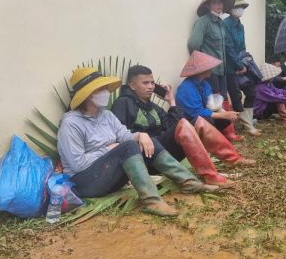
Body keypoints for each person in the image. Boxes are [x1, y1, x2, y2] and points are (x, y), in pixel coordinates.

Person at [57, 67, 219, 217]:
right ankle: (152, 201)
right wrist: (109, 149)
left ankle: (189, 182)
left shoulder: (105, 115)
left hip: (109, 176)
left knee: (148, 141)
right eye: (101, 89)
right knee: (127, 147)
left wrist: (141, 136)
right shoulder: (71, 123)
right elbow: (78, 164)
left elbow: (125, 135)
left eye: (106, 88)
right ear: (89, 94)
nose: (106, 92)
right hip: (85, 182)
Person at [110, 65, 237, 188]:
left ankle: (232, 158)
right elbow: (117, 137)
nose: (150, 87)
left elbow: (171, 127)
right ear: (132, 85)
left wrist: (171, 101)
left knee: (198, 121)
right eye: (145, 83)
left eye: (152, 83)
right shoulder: (123, 103)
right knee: (184, 125)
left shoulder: (152, 106)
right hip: (143, 159)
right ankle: (211, 176)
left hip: (161, 154)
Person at [175, 51, 256, 166]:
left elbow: (212, 103)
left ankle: (209, 144)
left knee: (225, 118)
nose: (212, 69)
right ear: (202, 70)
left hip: (201, 117)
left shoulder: (205, 83)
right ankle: (230, 156)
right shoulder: (186, 88)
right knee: (209, 120)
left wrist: (227, 113)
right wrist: (224, 114)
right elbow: (196, 113)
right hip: (190, 122)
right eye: (209, 67)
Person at [188, 0, 243, 141]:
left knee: (222, 98)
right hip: (209, 71)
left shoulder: (220, 23)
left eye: (220, 2)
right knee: (212, 100)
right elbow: (193, 43)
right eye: (215, 2)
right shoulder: (204, 22)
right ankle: (220, 133)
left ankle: (227, 131)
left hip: (222, 68)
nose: (219, 5)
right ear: (207, 5)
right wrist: (201, 65)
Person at [223, 0, 260, 137]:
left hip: (241, 65)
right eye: (237, 7)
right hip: (230, 67)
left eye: (242, 7)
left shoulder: (241, 26)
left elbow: (242, 47)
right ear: (230, 9)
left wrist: (243, 64)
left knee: (251, 92)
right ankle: (245, 126)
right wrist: (238, 66)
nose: (240, 9)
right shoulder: (225, 24)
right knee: (236, 96)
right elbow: (229, 47)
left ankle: (248, 123)